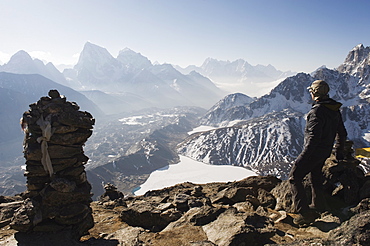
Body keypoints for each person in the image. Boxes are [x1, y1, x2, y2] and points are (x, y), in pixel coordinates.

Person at [289, 80, 347, 226]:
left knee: (295, 177)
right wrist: (339, 150)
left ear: (314, 93)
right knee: (315, 176)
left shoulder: (316, 112)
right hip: (325, 150)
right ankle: (319, 205)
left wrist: (302, 157)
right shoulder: (333, 109)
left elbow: (313, 139)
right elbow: (342, 132)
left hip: (314, 152)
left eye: (311, 91)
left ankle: (304, 213)